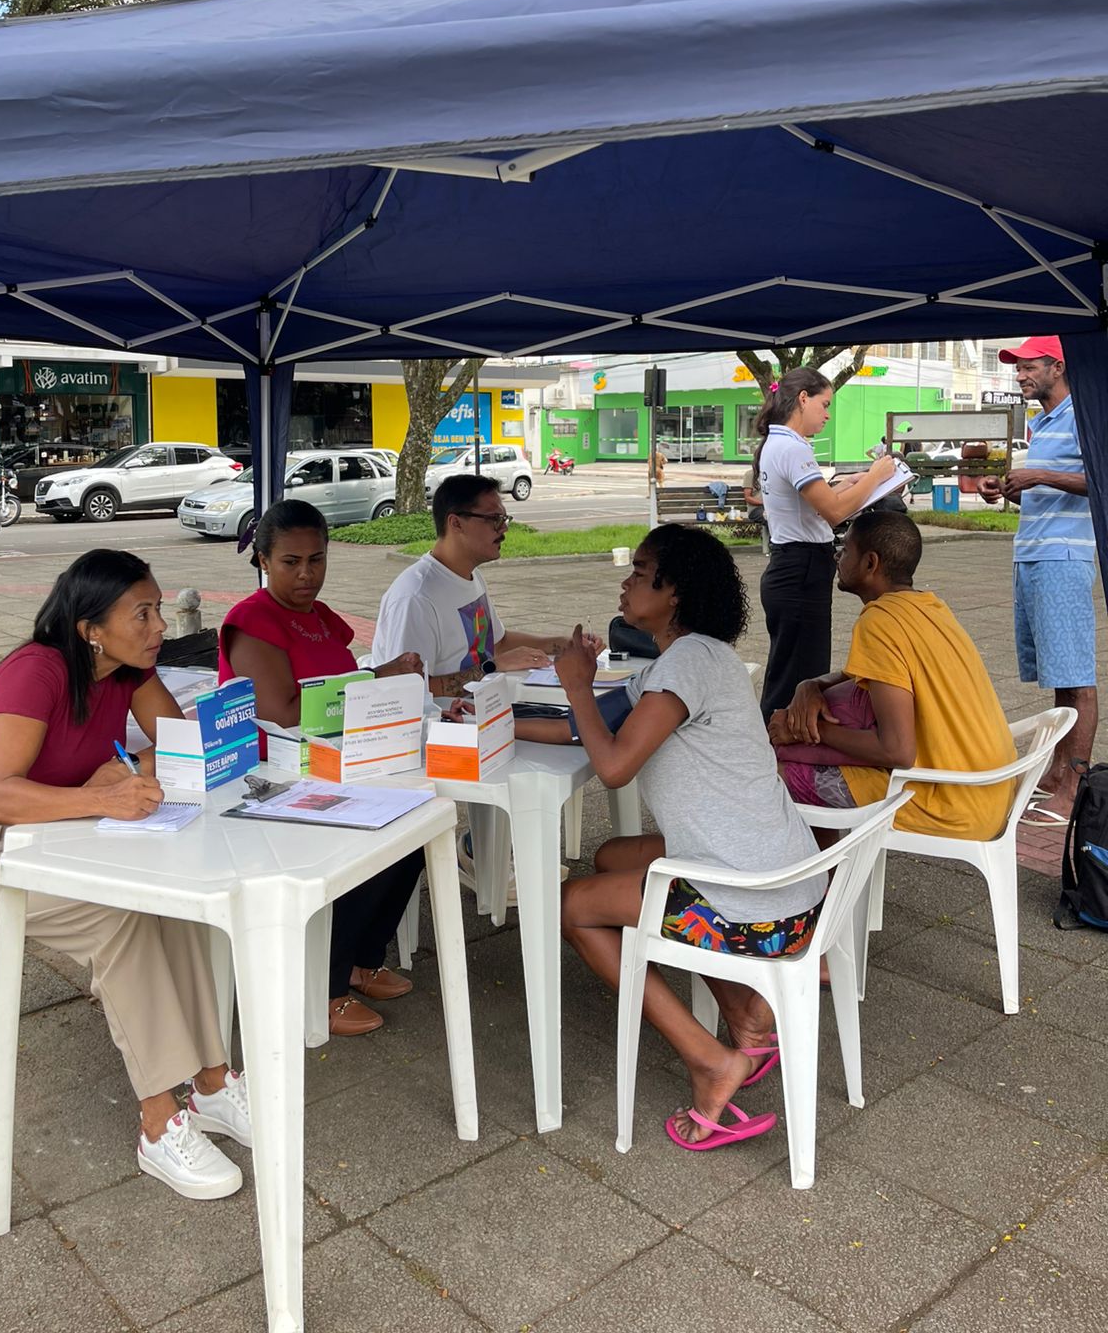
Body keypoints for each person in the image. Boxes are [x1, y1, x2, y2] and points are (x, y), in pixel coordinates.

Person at [0, 550, 251, 1201]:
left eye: (158, 610)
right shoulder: (36, 673)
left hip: (57, 835)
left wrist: (126, 771)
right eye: (142, 614)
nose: (159, 626)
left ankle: (213, 1084)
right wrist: (101, 796)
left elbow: (177, 745)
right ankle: (159, 1123)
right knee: (116, 916)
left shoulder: (129, 670)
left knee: (173, 898)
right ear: (90, 628)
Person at [522, 525, 827, 1152]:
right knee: (612, 856)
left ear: (675, 592)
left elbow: (613, 766)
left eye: (640, 572)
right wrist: (495, 722)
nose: (626, 582)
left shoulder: (682, 666)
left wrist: (576, 683)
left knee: (570, 907)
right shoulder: (694, 657)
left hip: (753, 907)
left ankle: (710, 1060)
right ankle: (746, 1019)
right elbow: (588, 728)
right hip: (788, 879)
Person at [220, 498, 425, 1037]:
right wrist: (375, 679)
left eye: (317, 559)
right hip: (272, 779)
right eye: (291, 562)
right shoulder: (252, 622)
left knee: (415, 834)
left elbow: (337, 687)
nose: (306, 574)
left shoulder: (320, 617)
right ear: (263, 560)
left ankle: (362, 961)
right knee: (362, 847)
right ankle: (324, 989)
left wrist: (385, 676)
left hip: (335, 764)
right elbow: (283, 714)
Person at [771, 512, 1018, 838]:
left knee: (778, 775)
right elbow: (854, 675)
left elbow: (897, 750)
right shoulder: (930, 607)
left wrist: (806, 731)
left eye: (846, 549)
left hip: (949, 803)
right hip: (991, 792)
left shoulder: (879, 623)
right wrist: (810, 685)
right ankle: (833, 871)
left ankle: (825, 871)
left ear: (870, 563)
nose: (837, 555)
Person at [978, 337, 1097, 814]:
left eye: (1029, 367)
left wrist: (1040, 476)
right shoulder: (1042, 422)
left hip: (1063, 556)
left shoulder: (1084, 414)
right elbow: (1046, 491)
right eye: (1017, 368)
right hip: (1031, 555)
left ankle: (1076, 784)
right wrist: (1007, 490)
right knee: (1058, 672)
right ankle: (1057, 769)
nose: (1020, 376)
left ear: (1058, 367)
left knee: (1078, 676)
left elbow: (1099, 481)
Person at [753, 367, 896, 723]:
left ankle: (774, 746)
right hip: (800, 568)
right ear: (803, 398)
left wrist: (852, 483)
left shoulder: (780, 442)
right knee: (798, 683)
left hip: (793, 566)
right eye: (825, 404)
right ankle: (776, 748)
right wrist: (875, 476)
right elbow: (833, 512)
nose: (828, 414)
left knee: (790, 674)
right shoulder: (792, 447)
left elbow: (818, 502)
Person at [372, 474, 596, 698]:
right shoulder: (416, 597)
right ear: (456, 523)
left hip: (486, 705)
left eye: (504, 519)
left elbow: (498, 642)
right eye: (494, 519)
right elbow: (406, 689)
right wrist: (492, 666)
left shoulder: (470, 575)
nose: (504, 529)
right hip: (445, 718)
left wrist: (563, 644)